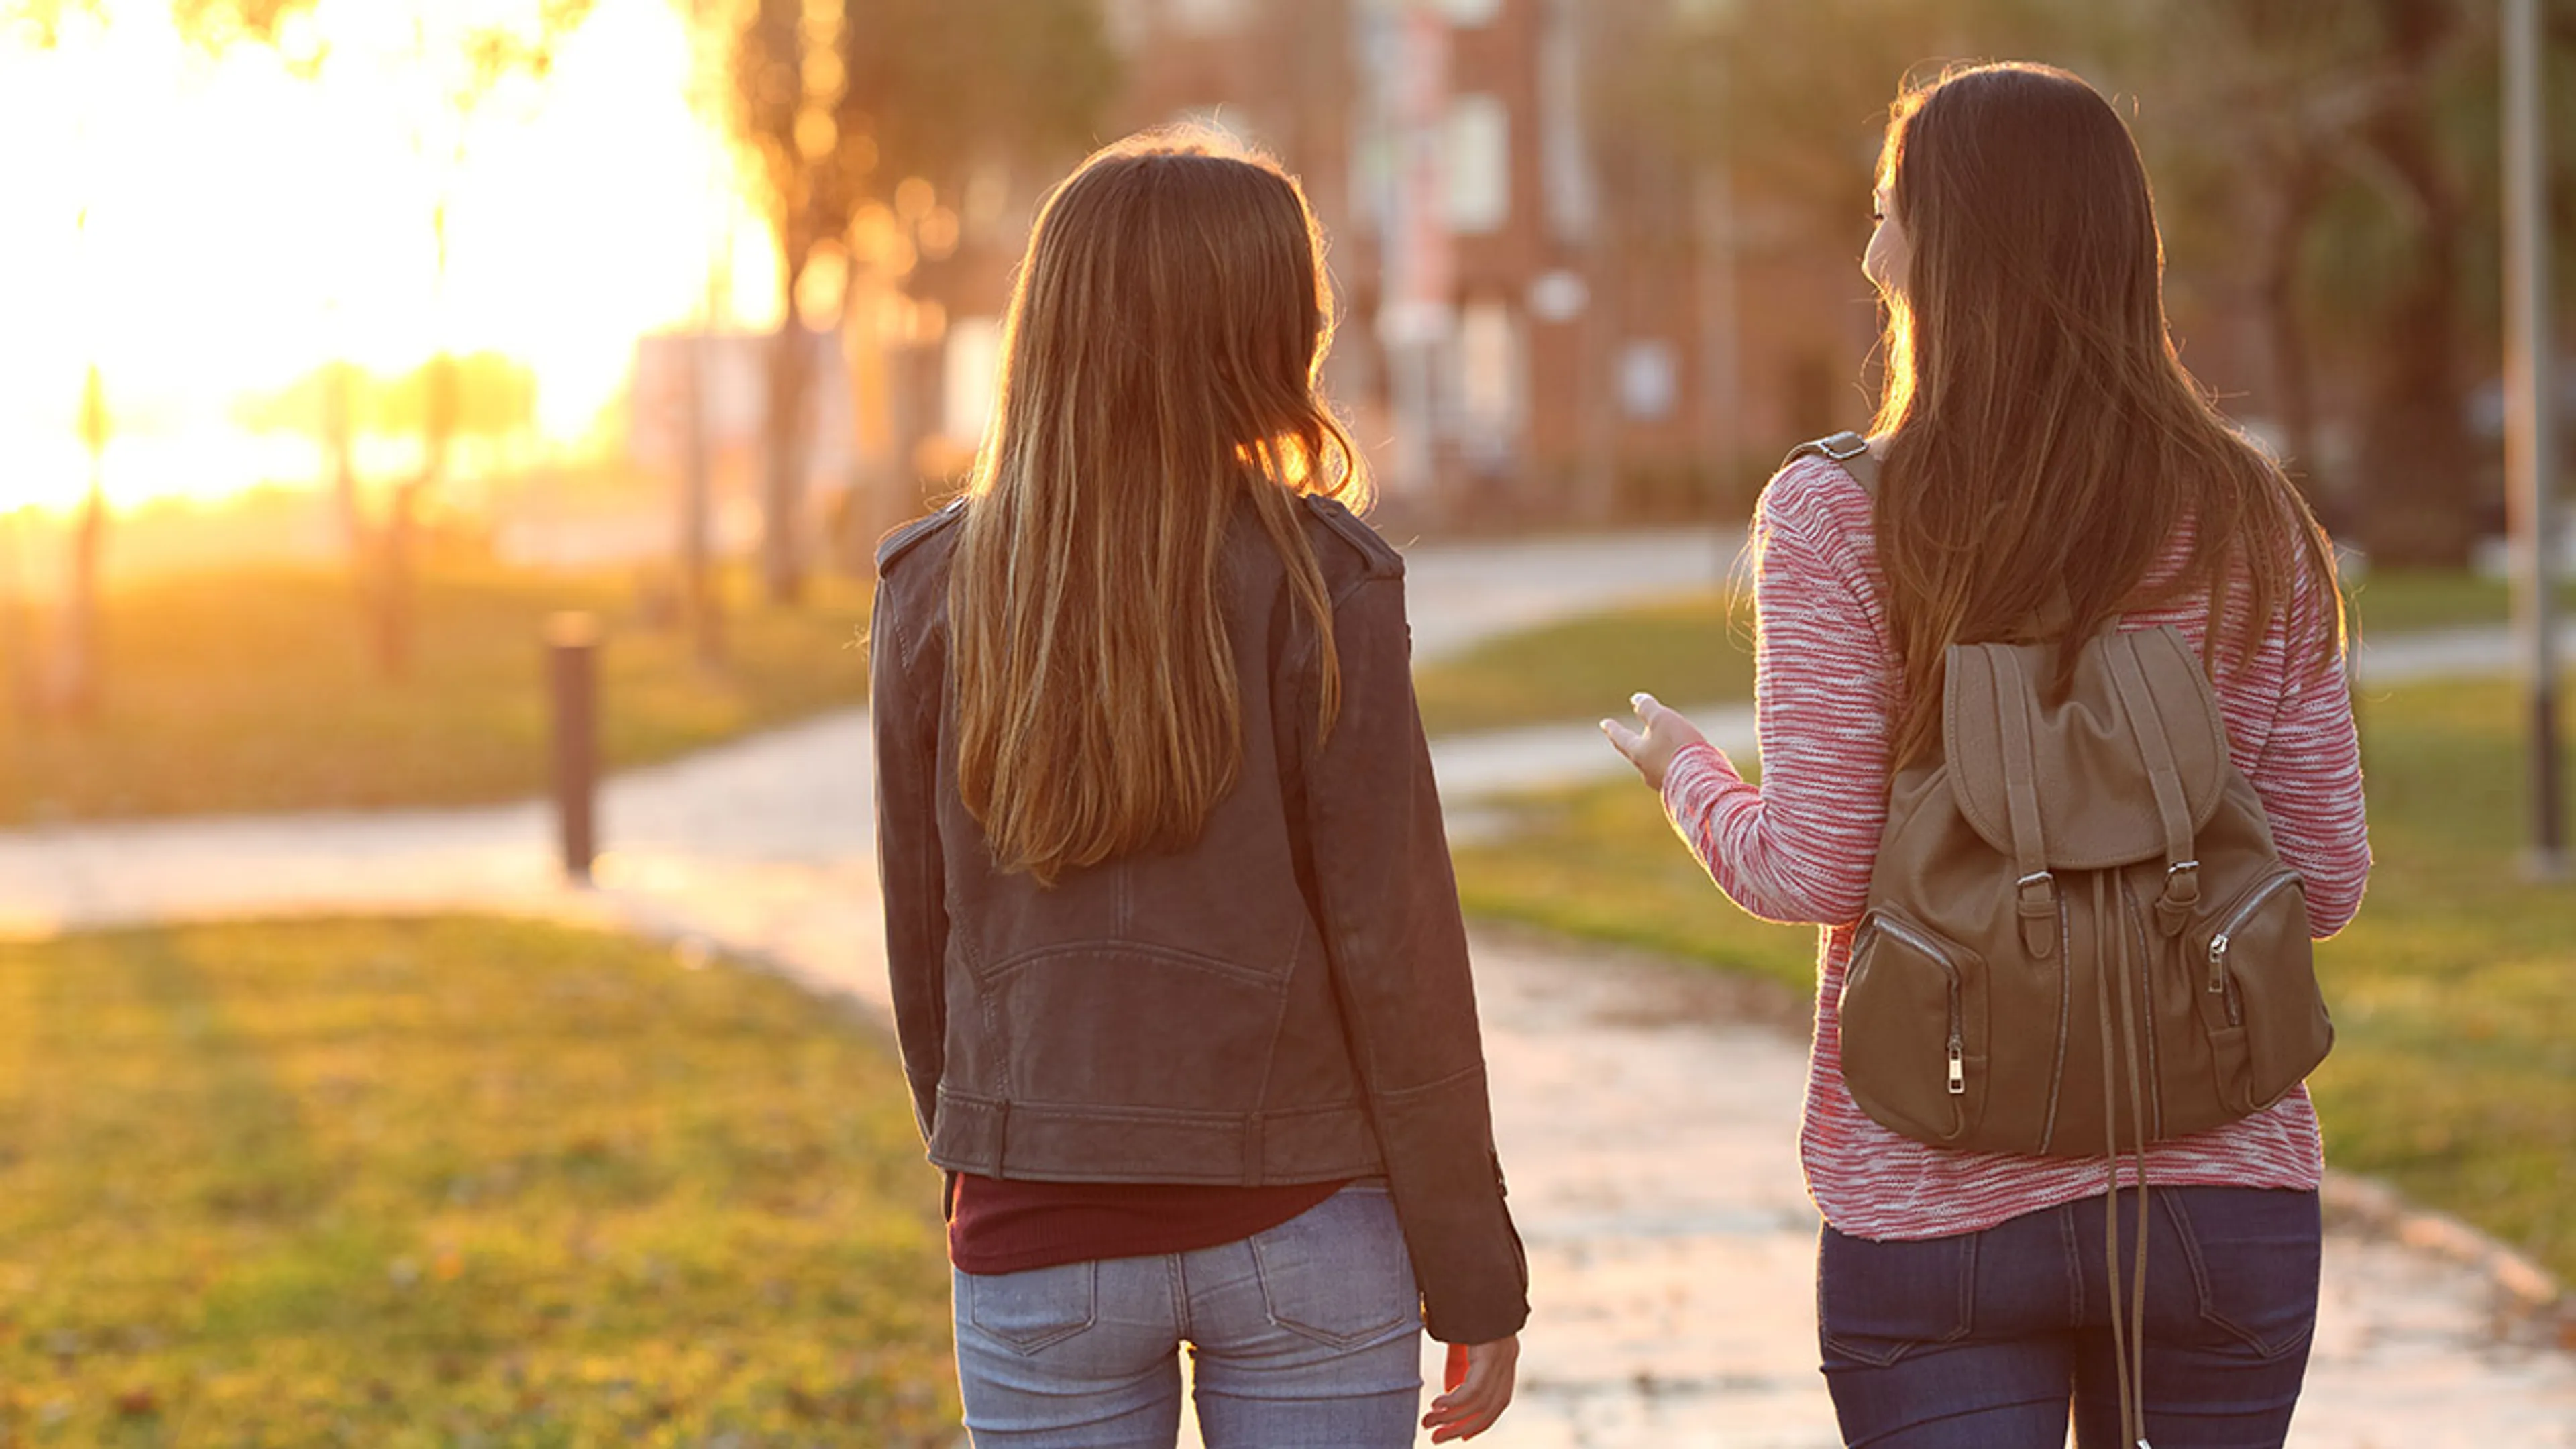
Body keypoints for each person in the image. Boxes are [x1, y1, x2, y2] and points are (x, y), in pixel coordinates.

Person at [1603, 64, 2369, 1448]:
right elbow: (2322, 882)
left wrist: (1685, 779)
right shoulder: (2251, 513)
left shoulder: (1840, 513)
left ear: (1948, 249)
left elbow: (1820, 868)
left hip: (1934, 1193)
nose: (1867, 253)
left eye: (1890, 213)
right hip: (2215, 1195)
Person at [869, 129, 1527, 1448]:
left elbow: (920, 939)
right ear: (1265, 333)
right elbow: (1395, 950)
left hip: (1034, 1225)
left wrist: (996, 1158)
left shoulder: (932, 586)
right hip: (1306, 1228)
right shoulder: (1325, 583)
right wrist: (1472, 1266)